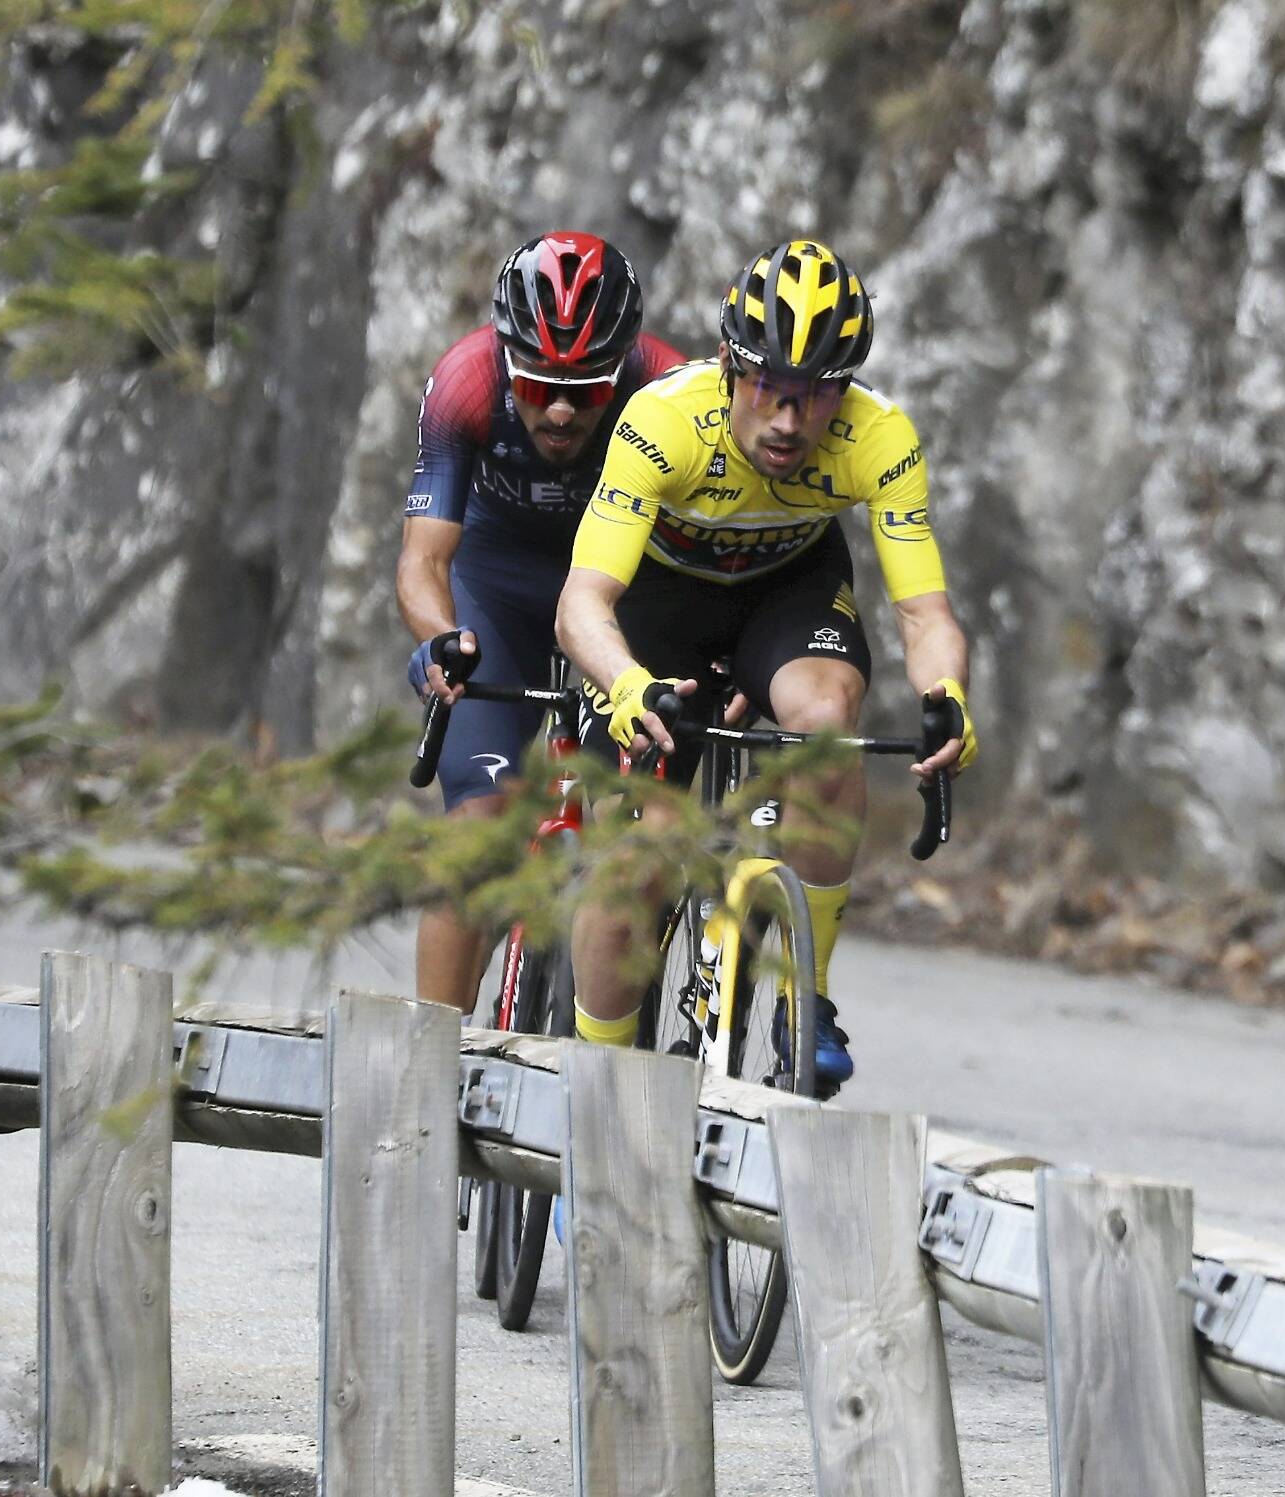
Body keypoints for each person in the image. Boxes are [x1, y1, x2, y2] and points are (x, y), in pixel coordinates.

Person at [554, 237, 978, 1095]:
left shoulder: (879, 436)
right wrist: (630, 686)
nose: (790, 420)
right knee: (636, 864)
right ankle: (595, 1093)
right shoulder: (664, 421)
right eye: (771, 389)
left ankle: (807, 998)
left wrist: (948, 699)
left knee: (825, 725)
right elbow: (582, 605)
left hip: (785, 595)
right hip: (659, 607)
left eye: (818, 395)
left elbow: (923, 612)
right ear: (727, 365)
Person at [399, 231, 687, 1012]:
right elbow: (425, 560)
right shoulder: (464, 380)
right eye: (536, 384)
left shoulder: (669, 387)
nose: (560, 409)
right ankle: (427, 1065)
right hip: (499, 580)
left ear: (624, 365)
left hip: (619, 587)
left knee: (636, 825)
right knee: (479, 838)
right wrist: (440, 639)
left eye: (589, 387)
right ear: (504, 360)